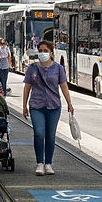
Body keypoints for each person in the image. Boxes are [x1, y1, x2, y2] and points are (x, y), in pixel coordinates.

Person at [22, 40, 74, 176]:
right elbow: (27, 87)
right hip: (36, 105)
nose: (43, 53)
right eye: (40, 51)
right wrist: (24, 106)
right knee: (39, 133)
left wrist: (69, 103)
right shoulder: (32, 68)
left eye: (45, 51)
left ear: (51, 52)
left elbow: (63, 86)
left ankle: (48, 163)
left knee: (50, 136)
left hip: (54, 106)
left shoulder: (58, 68)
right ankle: (40, 163)